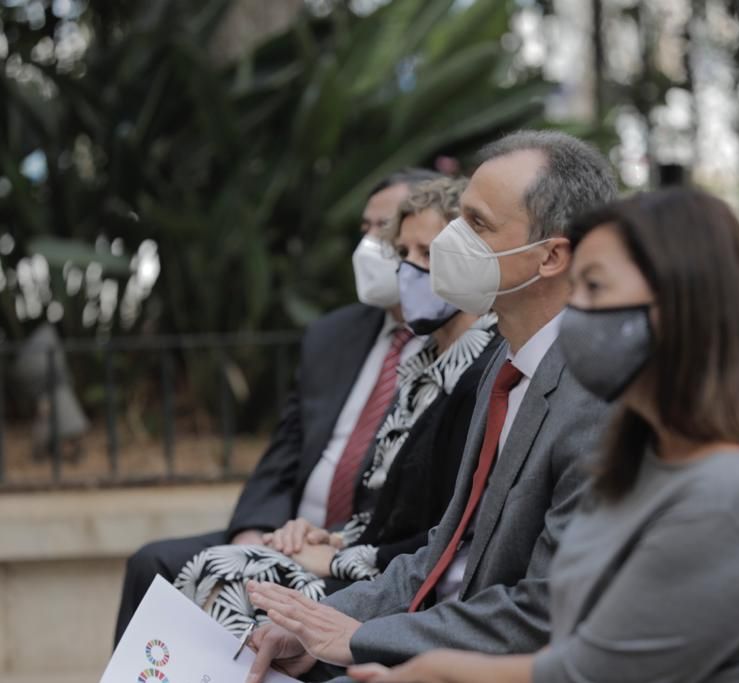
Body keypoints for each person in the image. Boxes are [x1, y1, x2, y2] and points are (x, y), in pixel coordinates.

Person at [340, 188, 739, 683]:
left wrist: (429, 671)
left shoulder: (732, 495)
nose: (573, 312)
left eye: (595, 289)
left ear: (680, 302)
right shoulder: (642, 452)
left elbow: (585, 672)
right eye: (574, 288)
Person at [243, 130, 619, 682]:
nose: (449, 242)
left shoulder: (594, 399)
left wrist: (361, 639)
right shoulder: (505, 364)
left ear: (552, 255)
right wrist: (321, 625)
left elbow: (543, 611)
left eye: (478, 224)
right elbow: (441, 555)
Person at [113, 168, 439, 645]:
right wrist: (251, 534)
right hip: (280, 534)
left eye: (386, 230)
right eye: (364, 229)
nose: (370, 245)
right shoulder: (333, 335)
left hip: (353, 545)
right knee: (153, 562)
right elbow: (285, 451)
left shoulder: (457, 350)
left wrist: (328, 544)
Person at [173, 178, 502, 634]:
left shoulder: (481, 373)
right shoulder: (422, 365)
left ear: (470, 260)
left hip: (402, 583)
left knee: (228, 583)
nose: (409, 269)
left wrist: (336, 555)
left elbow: (450, 531)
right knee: (215, 570)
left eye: (428, 253)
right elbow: (384, 508)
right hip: (357, 553)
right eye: (403, 253)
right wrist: (325, 536)